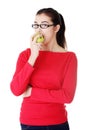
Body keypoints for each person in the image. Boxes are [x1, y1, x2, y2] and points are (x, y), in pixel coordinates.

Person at [10, 8, 78, 130]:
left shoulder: (69, 57)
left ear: (56, 28)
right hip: (29, 123)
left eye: (44, 25)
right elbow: (16, 90)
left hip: (58, 123)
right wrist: (33, 57)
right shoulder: (26, 55)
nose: (38, 30)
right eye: (36, 25)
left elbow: (67, 96)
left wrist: (32, 92)